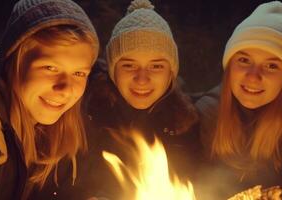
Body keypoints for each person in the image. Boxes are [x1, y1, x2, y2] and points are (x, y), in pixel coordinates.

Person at [0, 0, 99, 199]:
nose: (65, 89)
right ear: (13, 62)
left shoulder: (66, 130)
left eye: (78, 73)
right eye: (50, 68)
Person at [81, 0, 199, 199]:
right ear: (112, 72)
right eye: (129, 65)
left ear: (171, 73)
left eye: (156, 66)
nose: (142, 79)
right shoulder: (86, 116)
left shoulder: (186, 124)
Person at [194, 1, 282, 199]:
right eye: (244, 60)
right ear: (229, 66)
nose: (253, 76)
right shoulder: (206, 115)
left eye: (271, 66)